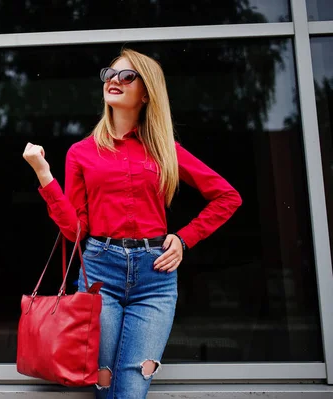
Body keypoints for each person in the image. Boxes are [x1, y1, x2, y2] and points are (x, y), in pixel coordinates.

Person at [22, 48, 242, 399]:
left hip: (155, 279)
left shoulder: (164, 150)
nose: (113, 80)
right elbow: (74, 231)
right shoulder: (81, 152)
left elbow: (227, 197)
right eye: (109, 73)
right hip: (99, 275)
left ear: (145, 92)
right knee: (105, 385)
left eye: (126, 76)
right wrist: (44, 175)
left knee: (133, 386)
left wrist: (185, 239)